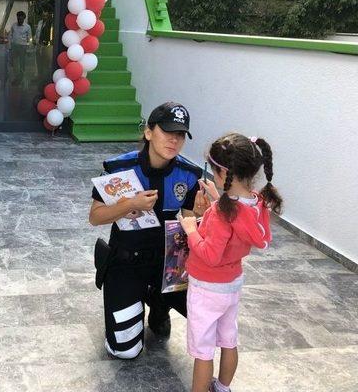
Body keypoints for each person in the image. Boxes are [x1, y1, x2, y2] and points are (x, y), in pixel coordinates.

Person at [89, 102, 202, 359]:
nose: (174, 140)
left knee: (205, 314)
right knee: (126, 351)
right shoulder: (120, 169)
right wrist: (130, 204)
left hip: (169, 263)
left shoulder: (188, 174)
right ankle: (131, 293)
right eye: (167, 132)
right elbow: (95, 217)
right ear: (149, 132)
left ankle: (160, 305)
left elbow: (189, 223)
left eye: (180, 135)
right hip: (127, 260)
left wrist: (203, 214)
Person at [179, 134, 281, 392]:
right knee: (228, 341)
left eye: (214, 171)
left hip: (206, 288)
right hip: (232, 285)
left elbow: (211, 255)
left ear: (223, 173)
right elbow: (237, 224)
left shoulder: (222, 212)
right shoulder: (256, 202)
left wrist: (192, 228)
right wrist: (217, 199)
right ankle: (223, 388)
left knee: (203, 352)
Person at [8, 11, 32, 86]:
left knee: (22, 64)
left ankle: (20, 79)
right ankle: (17, 78)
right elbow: (10, 36)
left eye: (21, 19)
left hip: (23, 47)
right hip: (14, 46)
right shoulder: (13, 25)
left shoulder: (27, 27)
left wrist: (28, 49)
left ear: (24, 19)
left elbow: (30, 38)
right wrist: (10, 47)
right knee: (15, 64)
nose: (19, 20)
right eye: (18, 18)